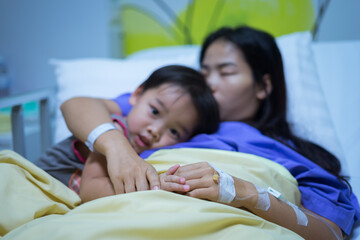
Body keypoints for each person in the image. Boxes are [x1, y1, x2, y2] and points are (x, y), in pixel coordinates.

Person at [60, 26, 359, 239]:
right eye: (204, 71)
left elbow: (330, 234)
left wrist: (245, 193)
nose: (209, 83)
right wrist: (119, 150)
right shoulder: (166, 113)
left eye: (226, 72)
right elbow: (80, 105)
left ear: (262, 87)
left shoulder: (294, 154)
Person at [35, 65, 219, 197]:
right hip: (38, 182)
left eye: (174, 131)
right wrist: (154, 187)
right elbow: (90, 189)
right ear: (137, 95)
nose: (155, 130)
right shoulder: (115, 128)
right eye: (154, 111)